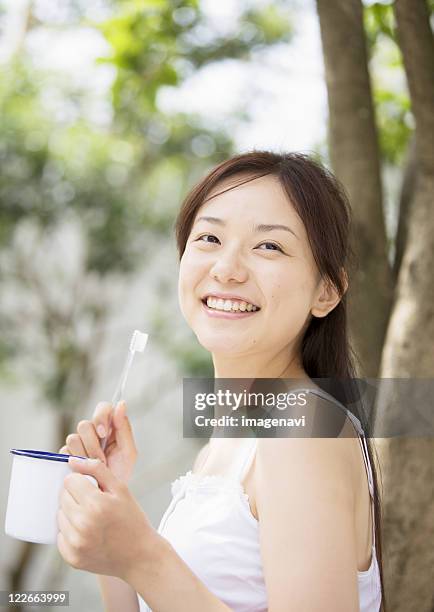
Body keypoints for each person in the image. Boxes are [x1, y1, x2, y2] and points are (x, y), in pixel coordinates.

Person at [58, 151, 384, 611]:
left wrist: (143, 556)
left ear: (326, 291)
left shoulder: (301, 428)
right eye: (209, 237)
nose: (227, 269)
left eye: (269, 246)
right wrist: (114, 549)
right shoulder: (225, 446)